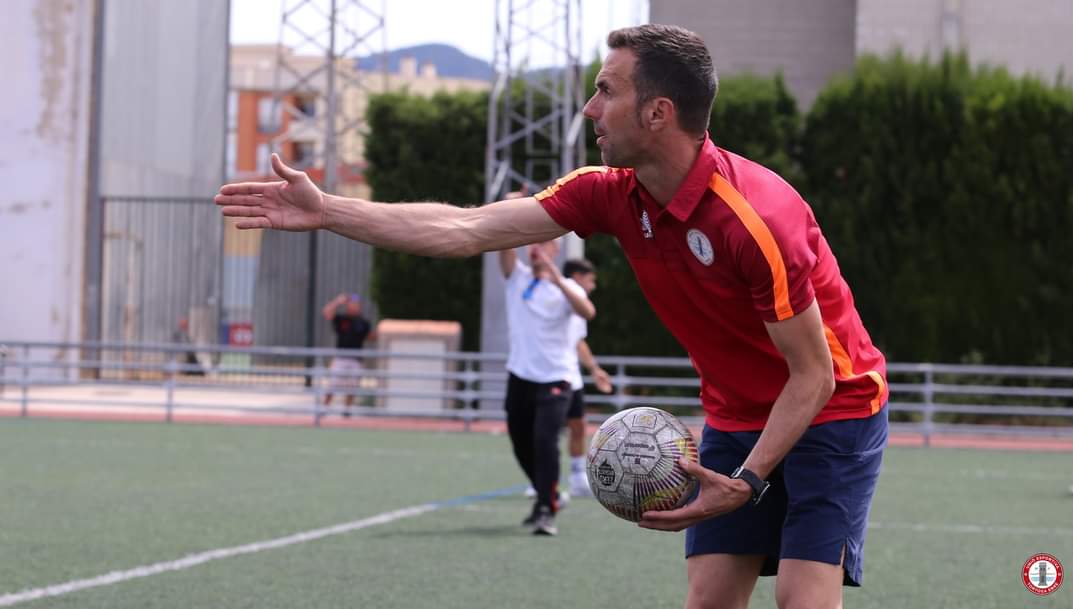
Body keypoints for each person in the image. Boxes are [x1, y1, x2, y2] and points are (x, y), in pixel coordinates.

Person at [216, 23, 888, 609]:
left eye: (606, 90)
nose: (591, 107)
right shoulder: (606, 192)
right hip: (739, 412)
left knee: (801, 597)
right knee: (709, 597)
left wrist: (746, 482)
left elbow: (813, 375)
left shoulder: (756, 219)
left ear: (657, 112)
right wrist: (330, 210)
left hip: (835, 408)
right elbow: (467, 228)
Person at [500, 239, 596, 536]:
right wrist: (510, 211)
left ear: (556, 249)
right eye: (531, 242)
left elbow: (587, 312)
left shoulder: (569, 286)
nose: (536, 247)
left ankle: (545, 508)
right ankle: (549, 493)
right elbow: (503, 247)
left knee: (545, 440)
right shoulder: (518, 277)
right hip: (520, 375)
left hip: (557, 377)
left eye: (543, 242)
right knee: (520, 441)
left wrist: (555, 277)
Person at [523, 258, 613, 499]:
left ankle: (577, 478)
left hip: (570, 375)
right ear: (577, 276)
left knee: (578, 426)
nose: (593, 286)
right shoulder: (550, 297)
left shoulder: (577, 305)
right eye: (591, 280)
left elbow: (577, 341)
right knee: (545, 431)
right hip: (548, 374)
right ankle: (539, 480)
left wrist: (594, 369)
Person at [321, 293, 372, 415]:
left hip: (356, 359)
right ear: (348, 306)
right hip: (341, 358)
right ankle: (324, 409)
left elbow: (370, 337)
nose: (354, 306)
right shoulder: (341, 319)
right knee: (332, 384)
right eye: (351, 304)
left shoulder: (363, 322)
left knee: (352, 386)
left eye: (356, 304)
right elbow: (327, 313)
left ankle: (346, 411)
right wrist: (338, 301)